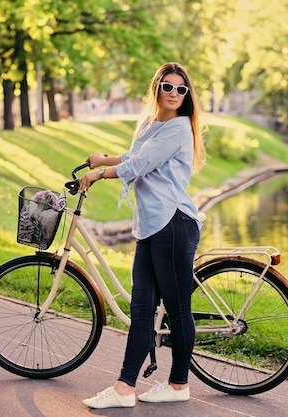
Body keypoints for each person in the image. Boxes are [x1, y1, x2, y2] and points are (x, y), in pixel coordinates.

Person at [79, 62, 207, 409]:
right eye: (169, 87)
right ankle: (124, 389)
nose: (175, 94)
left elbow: (139, 165)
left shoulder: (179, 128)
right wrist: (102, 159)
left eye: (182, 90)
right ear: (157, 88)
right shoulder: (152, 124)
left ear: (187, 95)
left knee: (178, 309)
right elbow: (135, 154)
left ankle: (179, 383)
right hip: (152, 225)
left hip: (173, 223)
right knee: (141, 309)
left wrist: (100, 174)